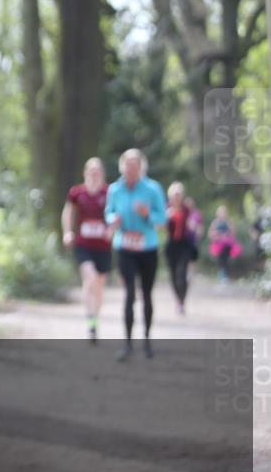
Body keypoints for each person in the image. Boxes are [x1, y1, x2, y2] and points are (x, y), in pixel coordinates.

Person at [105, 148, 167, 361]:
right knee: (129, 293)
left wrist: (147, 214)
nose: (131, 169)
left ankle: (147, 340)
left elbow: (163, 220)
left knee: (146, 294)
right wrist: (113, 219)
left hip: (148, 247)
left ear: (142, 167)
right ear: (122, 166)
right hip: (125, 247)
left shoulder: (152, 188)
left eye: (135, 165)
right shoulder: (114, 189)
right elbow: (108, 212)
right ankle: (128, 343)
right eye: (127, 165)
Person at [62, 157, 112, 344]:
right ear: (85, 173)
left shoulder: (109, 192)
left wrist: (111, 230)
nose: (94, 174)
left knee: (99, 286)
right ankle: (90, 320)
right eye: (91, 171)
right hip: (83, 245)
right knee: (89, 279)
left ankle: (95, 319)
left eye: (97, 171)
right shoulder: (76, 193)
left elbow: (117, 212)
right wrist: (68, 232)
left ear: (102, 174)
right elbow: (68, 212)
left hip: (103, 246)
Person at [164, 182, 194, 316]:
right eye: (174, 195)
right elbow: (161, 225)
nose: (176, 198)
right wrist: (167, 216)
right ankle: (178, 299)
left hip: (184, 244)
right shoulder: (166, 209)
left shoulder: (186, 209)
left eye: (178, 195)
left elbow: (192, 224)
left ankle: (182, 300)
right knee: (173, 275)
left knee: (182, 273)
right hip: (171, 245)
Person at [207, 205, 241, 284]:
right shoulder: (215, 222)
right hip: (217, 245)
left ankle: (224, 274)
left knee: (225, 258)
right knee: (220, 259)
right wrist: (216, 234)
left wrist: (228, 233)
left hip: (227, 245)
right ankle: (222, 273)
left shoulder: (229, 222)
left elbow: (234, 233)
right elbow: (210, 234)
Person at [184, 196, 203, 284]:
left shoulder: (196, 214)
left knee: (192, 259)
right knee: (184, 258)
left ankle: (191, 276)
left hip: (193, 240)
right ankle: (184, 274)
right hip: (183, 240)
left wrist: (199, 234)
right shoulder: (182, 213)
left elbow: (200, 226)